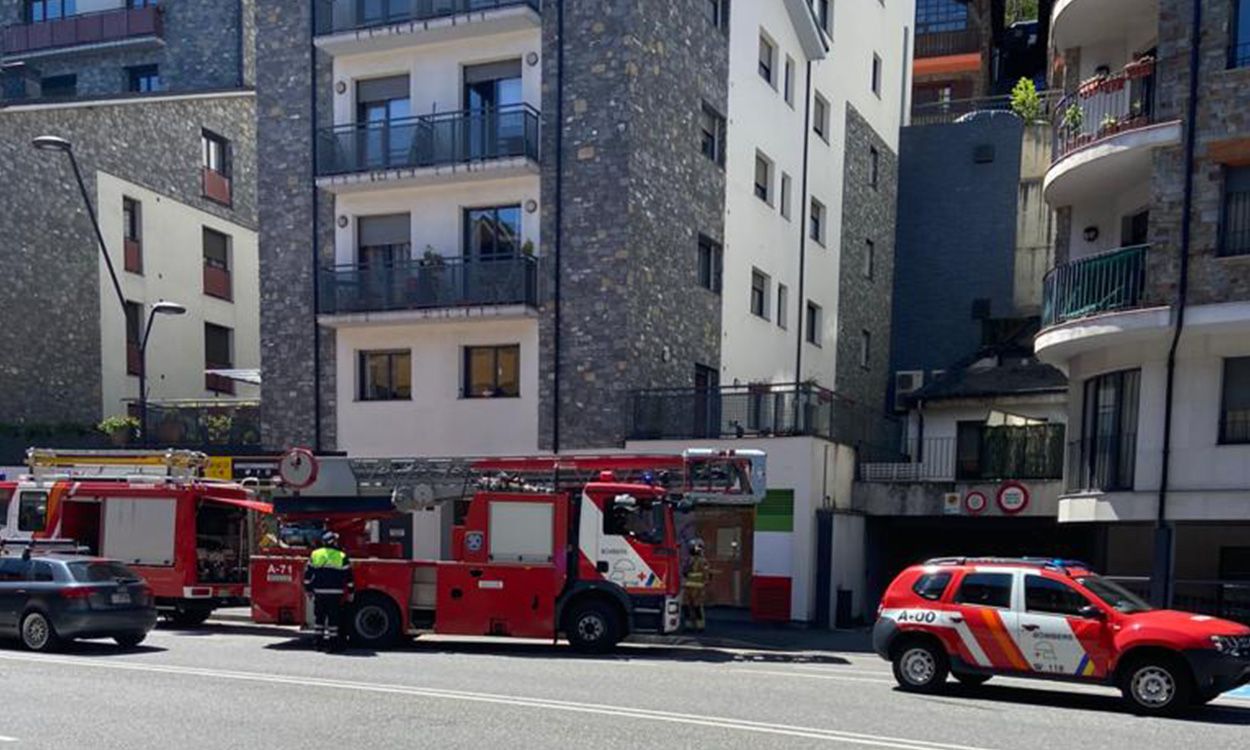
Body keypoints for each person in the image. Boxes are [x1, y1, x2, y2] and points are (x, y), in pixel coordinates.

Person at [303, 531, 354, 651]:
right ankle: (333, 645)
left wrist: (308, 589)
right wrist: (351, 592)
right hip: (335, 593)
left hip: (319, 592)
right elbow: (349, 577)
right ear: (334, 542)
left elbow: (307, 574)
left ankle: (318, 644)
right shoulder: (341, 556)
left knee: (319, 619)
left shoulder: (315, 554)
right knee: (333, 620)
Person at [682, 539, 711, 632]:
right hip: (688, 587)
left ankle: (700, 626)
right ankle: (688, 625)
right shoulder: (688, 560)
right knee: (686, 606)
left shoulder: (703, 561)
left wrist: (704, 585)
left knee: (697, 607)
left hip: (698, 587)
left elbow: (706, 574)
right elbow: (684, 572)